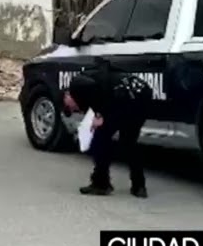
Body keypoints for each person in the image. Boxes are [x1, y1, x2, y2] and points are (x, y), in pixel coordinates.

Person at [63, 62, 153, 198]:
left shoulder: (76, 85)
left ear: (66, 96)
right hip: (141, 93)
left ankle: (101, 184)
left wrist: (100, 115)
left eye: (69, 108)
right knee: (128, 142)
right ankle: (139, 186)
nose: (75, 109)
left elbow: (95, 89)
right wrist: (100, 115)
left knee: (99, 142)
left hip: (124, 96)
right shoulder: (92, 81)